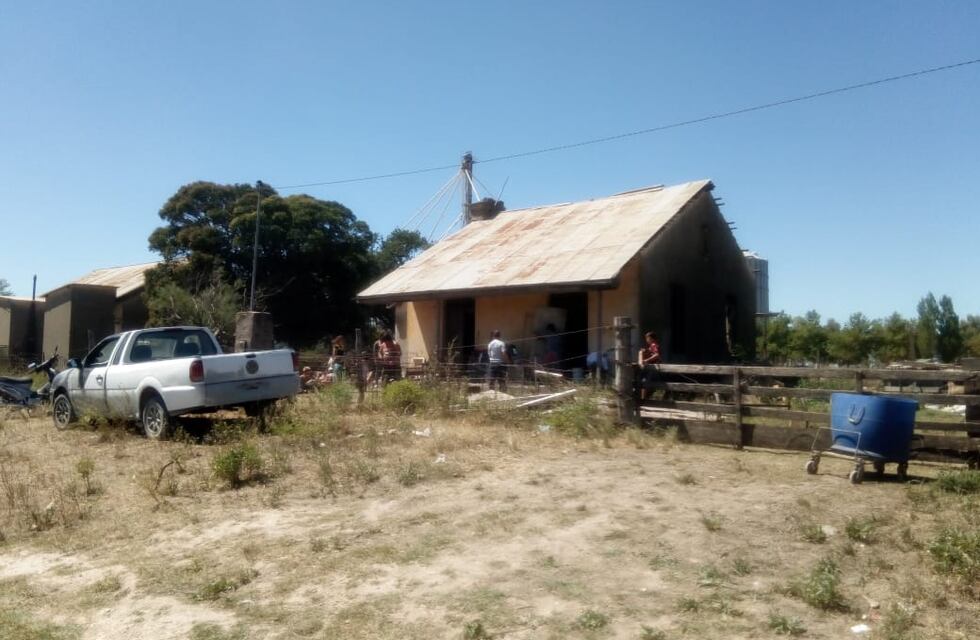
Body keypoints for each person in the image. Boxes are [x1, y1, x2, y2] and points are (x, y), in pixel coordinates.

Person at [638, 331, 661, 400]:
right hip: (651, 366)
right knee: (645, 382)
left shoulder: (654, 345)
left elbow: (657, 355)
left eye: (647, 338)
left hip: (653, 367)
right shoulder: (652, 346)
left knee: (645, 382)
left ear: (651, 339)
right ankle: (643, 399)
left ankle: (643, 399)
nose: (646, 340)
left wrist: (646, 360)